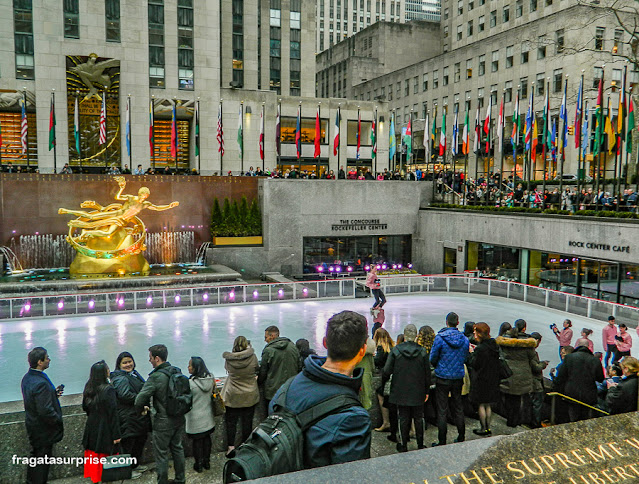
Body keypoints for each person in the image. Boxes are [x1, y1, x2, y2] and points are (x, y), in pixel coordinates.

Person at [269, 310, 372, 467]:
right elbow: (351, 476)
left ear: (325, 342)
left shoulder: (288, 387)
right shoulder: (354, 418)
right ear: (363, 350)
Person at [135, 344, 187, 484]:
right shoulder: (176, 371)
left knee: (162, 455)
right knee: (177, 449)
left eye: (150, 358)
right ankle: (180, 479)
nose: (149, 361)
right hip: (178, 418)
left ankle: (162, 481)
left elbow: (139, 399)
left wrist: (142, 409)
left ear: (157, 358)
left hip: (163, 422)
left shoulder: (156, 377)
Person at [382, 324, 431, 452]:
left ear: (404, 336)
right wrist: (426, 391)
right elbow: (427, 374)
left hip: (400, 389)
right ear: (415, 336)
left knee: (403, 418)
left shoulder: (396, 350)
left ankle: (403, 444)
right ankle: (420, 444)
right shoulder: (422, 351)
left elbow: (386, 371)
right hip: (418, 390)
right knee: (419, 418)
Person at [21, 347, 64, 484]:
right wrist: (57, 420)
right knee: (42, 463)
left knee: (36, 459)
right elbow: (45, 410)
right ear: (40, 362)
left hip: (33, 426)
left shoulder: (27, 378)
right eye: (47, 358)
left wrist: (52, 394)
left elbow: (34, 400)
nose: (49, 359)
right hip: (43, 430)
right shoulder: (41, 383)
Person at [430, 312, 470, 446]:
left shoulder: (440, 338)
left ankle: (442, 441)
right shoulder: (464, 339)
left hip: (442, 377)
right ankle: (461, 436)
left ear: (446, 322)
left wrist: (439, 367)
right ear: (457, 323)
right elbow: (465, 357)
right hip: (457, 377)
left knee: (442, 409)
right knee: (458, 406)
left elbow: (433, 358)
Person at [110, 352, 151, 479]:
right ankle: (126, 471)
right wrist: (140, 399)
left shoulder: (133, 374)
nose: (128, 364)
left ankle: (135, 465)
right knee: (128, 445)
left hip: (137, 416)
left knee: (138, 442)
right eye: (125, 363)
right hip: (128, 417)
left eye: (130, 361)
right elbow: (124, 395)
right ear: (119, 365)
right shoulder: (120, 378)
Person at [82, 360, 122, 483]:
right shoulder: (108, 389)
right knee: (106, 456)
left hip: (92, 427)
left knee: (95, 455)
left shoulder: (89, 388)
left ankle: (95, 478)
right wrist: (116, 435)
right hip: (105, 429)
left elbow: (85, 408)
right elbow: (112, 413)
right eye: (107, 369)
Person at [222, 336, 260, 457]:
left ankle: (231, 447)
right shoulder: (253, 357)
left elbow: (227, 370)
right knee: (247, 422)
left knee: (231, 422)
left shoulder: (229, 360)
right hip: (249, 393)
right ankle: (245, 446)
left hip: (233, 394)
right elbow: (257, 369)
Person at [496, 319, 538, 427]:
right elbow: (532, 358)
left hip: (508, 373)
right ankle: (515, 420)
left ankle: (509, 417)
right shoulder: (528, 343)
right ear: (524, 328)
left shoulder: (505, 340)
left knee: (509, 397)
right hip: (523, 375)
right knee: (518, 399)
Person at [554, 340, 605, 422]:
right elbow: (600, 378)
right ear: (588, 347)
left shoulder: (569, 357)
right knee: (585, 418)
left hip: (571, 394)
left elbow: (561, 377)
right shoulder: (595, 360)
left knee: (573, 416)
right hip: (588, 395)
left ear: (577, 345)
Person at [467, 323, 501, 436]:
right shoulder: (493, 345)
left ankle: (483, 428)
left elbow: (475, 364)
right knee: (488, 405)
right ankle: (488, 427)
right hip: (492, 379)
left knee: (481, 404)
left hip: (482, 379)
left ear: (480, 334)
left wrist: (472, 353)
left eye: (475, 332)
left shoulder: (481, 349)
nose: (474, 334)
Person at [185, 356, 215, 473]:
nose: (188, 367)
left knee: (197, 442)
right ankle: (207, 462)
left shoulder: (190, 384)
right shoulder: (210, 379)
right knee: (207, 439)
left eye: (190, 365)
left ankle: (199, 464)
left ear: (195, 368)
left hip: (195, 418)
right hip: (208, 416)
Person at [258, 326, 300, 407]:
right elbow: (299, 365)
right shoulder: (292, 346)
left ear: (272, 336)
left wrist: (258, 382)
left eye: (266, 337)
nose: (265, 340)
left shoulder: (268, 350)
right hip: (290, 389)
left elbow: (263, 371)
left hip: (272, 391)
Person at [373, 328, 395, 434]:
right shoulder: (392, 346)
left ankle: (386, 422)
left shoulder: (381, 347)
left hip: (386, 378)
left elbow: (378, 361)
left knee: (380, 394)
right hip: (394, 377)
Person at [529, 332, 549, 428]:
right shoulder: (531, 352)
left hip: (528, 381)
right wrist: (543, 364)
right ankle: (535, 423)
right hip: (534, 382)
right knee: (537, 403)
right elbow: (536, 368)